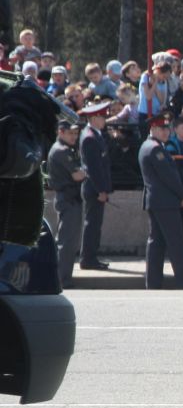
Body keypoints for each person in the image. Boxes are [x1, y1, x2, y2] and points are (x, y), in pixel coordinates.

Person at [138, 113, 183, 290]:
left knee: (156, 242)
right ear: (153, 129)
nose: (165, 132)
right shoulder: (156, 149)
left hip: (156, 201)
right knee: (175, 243)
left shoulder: (147, 146)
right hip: (165, 202)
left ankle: (153, 282)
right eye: (161, 129)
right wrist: (182, 194)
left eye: (166, 129)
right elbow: (169, 177)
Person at [44, 116, 83, 286]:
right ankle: (61, 279)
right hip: (67, 198)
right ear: (61, 132)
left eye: (75, 133)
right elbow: (78, 175)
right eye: (70, 133)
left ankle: (64, 277)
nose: (74, 137)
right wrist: (87, 170)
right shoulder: (61, 151)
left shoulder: (65, 148)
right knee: (67, 242)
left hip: (70, 198)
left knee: (69, 241)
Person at [77, 98, 112, 270]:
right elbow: (94, 168)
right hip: (94, 189)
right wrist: (101, 190)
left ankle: (91, 257)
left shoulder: (92, 135)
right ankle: (88, 259)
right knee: (92, 225)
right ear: (94, 119)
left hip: (94, 188)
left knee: (94, 224)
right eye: (102, 117)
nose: (104, 120)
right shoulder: (90, 138)